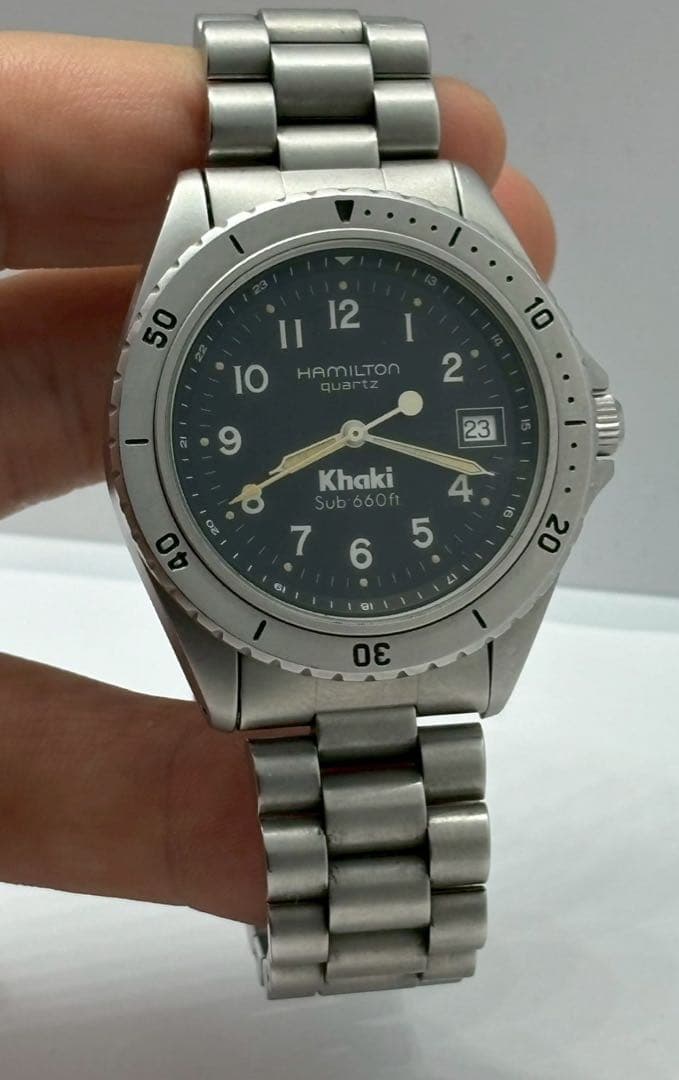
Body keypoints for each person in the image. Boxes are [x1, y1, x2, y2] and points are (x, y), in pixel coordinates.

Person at [0, 31, 556, 927]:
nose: (353, 437)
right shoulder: (218, 206)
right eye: (348, 435)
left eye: (361, 433)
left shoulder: (443, 207)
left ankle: (352, 923)